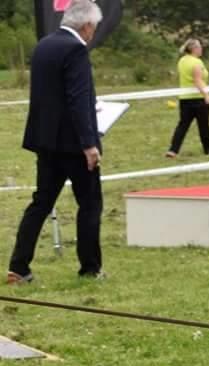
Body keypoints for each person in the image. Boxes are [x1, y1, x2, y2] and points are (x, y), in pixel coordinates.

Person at [7, 0, 104, 285]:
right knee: (89, 205)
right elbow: (76, 98)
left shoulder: (44, 46)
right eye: (94, 28)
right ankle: (90, 267)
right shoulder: (76, 50)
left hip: (46, 141)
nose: (93, 33)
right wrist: (89, 144)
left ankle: (19, 266)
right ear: (86, 26)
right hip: (74, 145)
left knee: (40, 203)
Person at [165, 38, 209, 159]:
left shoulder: (182, 61)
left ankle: (173, 150)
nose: (202, 49)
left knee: (182, 125)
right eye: (200, 47)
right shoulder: (197, 62)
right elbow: (198, 80)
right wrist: (206, 94)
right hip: (198, 99)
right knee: (204, 125)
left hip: (184, 99)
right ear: (194, 49)